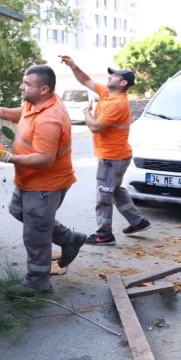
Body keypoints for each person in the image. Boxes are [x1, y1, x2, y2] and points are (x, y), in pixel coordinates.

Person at [0, 65, 86, 292]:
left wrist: (9, 157)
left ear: (44, 89)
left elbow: (45, 159)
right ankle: (69, 239)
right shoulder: (36, 102)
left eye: (27, 84)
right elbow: (22, 113)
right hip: (28, 180)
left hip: (45, 185)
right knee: (18, 211)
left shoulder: (49, 119)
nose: (22, 86)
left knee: (35, 235)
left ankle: (37, 284)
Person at [57, 55, 151, 245]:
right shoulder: (107, 94)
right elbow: (86, 80)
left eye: (114, 76)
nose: (110, 77)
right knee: (115, 190)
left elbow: (95, 126)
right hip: (116, 156)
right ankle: (138, 222)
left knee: (104, 194)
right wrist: (74, 65)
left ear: (123, 82)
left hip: (112, 158)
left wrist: (86, 111)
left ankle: (104, 234)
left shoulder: (117, 104)